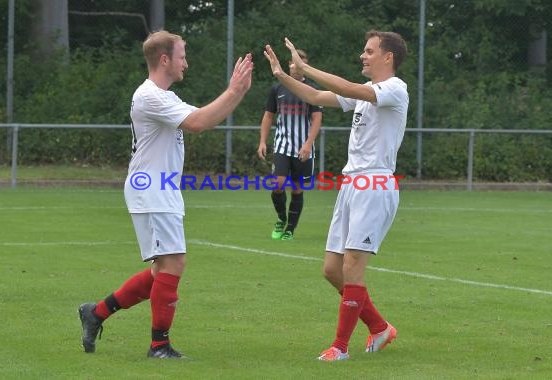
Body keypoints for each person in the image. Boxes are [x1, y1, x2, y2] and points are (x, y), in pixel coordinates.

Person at [78, 30, 253, 359]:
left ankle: (96, 313)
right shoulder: (150, 96)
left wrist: (236, 93)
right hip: (151, 188)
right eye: (182, 55)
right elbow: (200, 122)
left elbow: (204, 118)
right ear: (164, 59)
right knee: (174, 263)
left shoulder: (165, 97)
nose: (186, 61)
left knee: (163, 271)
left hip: (161, 189)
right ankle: (159, 346)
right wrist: (234, 90)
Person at [264, 30, 408, 361]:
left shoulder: (395, 89)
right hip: (351, 186)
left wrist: (306, 67)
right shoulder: (366, 93)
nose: (363, 55)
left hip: (374, 185)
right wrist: (283, 75)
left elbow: (345, 87)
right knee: (332, 270)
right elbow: (316, 98)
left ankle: (339, 349)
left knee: (354, 267)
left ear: (388, 57)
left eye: (369, 50)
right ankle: (380, 327)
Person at [257, 49, 323, 241]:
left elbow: (317, 118)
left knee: (297, 188)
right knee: (278, 184)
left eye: (302, 63)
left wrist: (308, 144)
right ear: (289, 65)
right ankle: (281, 218)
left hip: (303, 148)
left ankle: (290, 230)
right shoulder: (277, 89)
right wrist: (262, 141)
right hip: (282, 146)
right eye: (295, 63)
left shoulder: (311, 89)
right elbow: (268, 116)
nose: (298, 67)